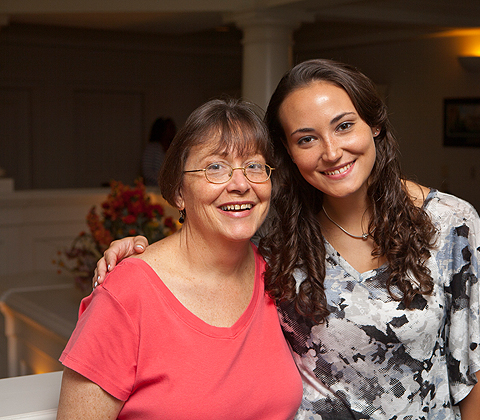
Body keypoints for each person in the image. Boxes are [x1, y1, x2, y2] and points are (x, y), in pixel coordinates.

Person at [95, 59, 480, 420]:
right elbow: (205, 249)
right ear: (288, 152)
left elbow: (470, 373)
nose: (331, 151)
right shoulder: (278, 232)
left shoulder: (451, 224)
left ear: (374, 124)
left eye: (344, 126)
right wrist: (138, 252)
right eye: (306, 139)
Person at [57, 98, 302, 419]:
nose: (241, 184)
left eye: (254, 166)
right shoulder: (127, 293)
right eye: (215, 167)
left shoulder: (276, 275)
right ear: (178, 192)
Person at [141, 117, 176, 186]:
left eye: (173, 127)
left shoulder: (174, 149)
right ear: (162, 130)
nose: (173, 130)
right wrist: (163, 182)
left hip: (170, 190)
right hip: (153, 190)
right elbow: (147, 172)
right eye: (170, 128)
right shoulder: (152, 148)